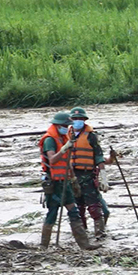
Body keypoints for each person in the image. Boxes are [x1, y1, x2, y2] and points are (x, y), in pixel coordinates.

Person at [40, 112, 100, 251]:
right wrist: (64, 148)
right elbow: (53, 160)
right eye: (64, 126)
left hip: (65, 181)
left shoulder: (64, 138)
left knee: (73, 211)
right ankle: (44, 246)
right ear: (56, 125)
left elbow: (67, 163)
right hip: (54, 183)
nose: (66, 128)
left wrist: (73, 180)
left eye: (68, 126)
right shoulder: (50, 140)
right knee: (53, 212)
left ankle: (84, 244)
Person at [67, 106, 112, 239]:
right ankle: (82, 232)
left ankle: (100, 233)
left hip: (87, 175)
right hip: (71, 176)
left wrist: (103, 176)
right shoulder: (65, 136)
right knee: (77, 206)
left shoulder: (91, 136)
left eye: (80, 119)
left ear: (84, 120)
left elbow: (98, 156)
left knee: (94, 206)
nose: (77, 121)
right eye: (75, 119)